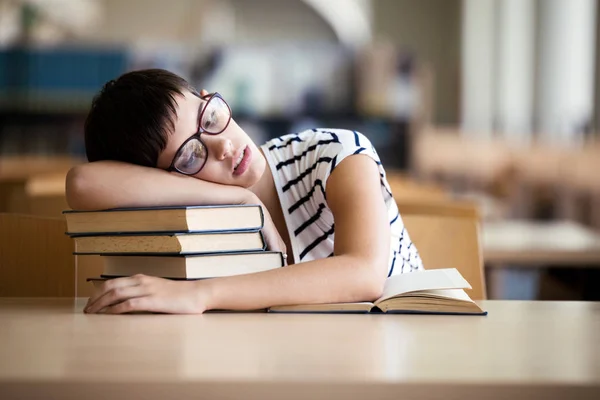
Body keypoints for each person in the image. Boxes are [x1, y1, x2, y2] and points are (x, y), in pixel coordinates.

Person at [68, 69, 423, 314]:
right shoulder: (200, 212)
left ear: (210, 98)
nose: (222, 145)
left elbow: (364, 273)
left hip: (416, 340)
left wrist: (201, 294)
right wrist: (237, 198)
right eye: (191, 154)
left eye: (208, 118)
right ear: (167, 181)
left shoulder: (334, 152)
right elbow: (82, 184)